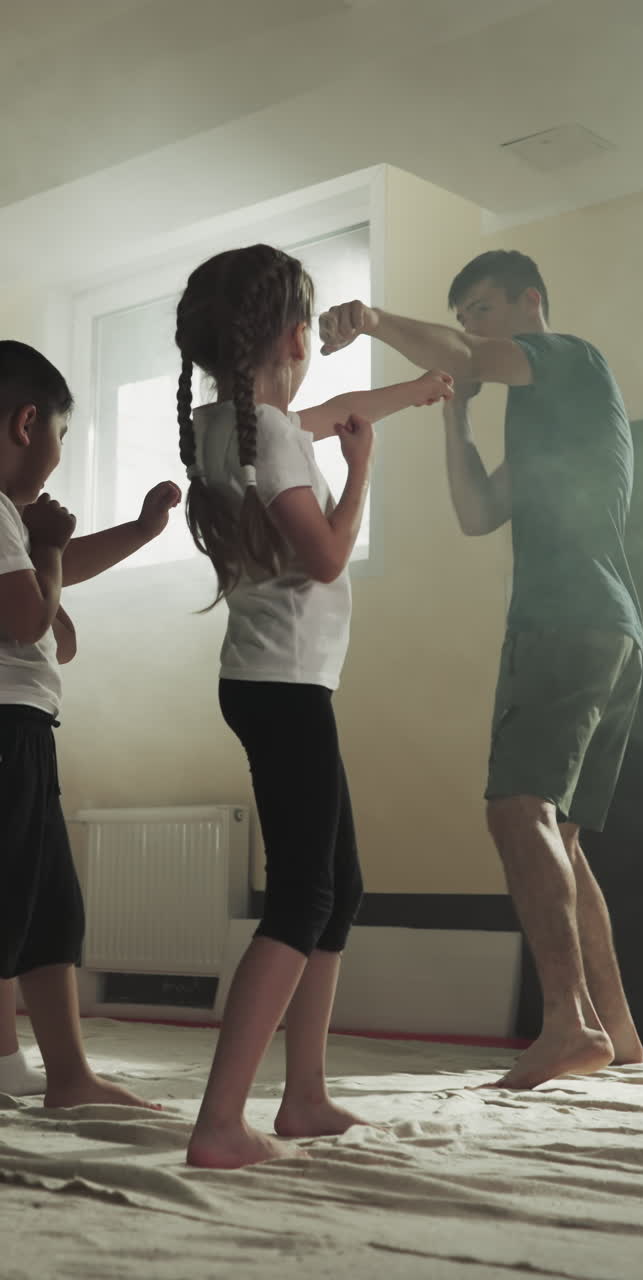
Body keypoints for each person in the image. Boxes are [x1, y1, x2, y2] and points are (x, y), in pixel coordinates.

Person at [319, 250, 643, 1090]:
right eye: (460, 313)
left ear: (531, 303)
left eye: (482, 309)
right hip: (604, 628)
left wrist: (373, 320)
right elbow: (474, 513)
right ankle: (616, 1029)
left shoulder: (570, 357)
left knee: (514, 810)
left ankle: (567, 1024)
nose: (469, 326)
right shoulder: (547, 421)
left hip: (569, 619)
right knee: (558, 836)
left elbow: (461, 359)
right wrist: (453, 418)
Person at [175, 245, 453, 1167]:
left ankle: (303, 1098)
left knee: (340, 888)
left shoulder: (228, 424)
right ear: (295, 334)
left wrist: (411, 394)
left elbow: (333, 415)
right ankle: (220, 1123)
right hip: (286, 688)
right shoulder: (277, 437)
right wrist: (363, 471)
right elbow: (327, 555)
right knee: (304, 895)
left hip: (268, 683)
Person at [0, 338, 180, 1106]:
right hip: (6, 731)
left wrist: (138, 534)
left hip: (27, 729)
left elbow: (49, 604)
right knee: (9, 902)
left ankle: (68, 1075)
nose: (60, 455)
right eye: (63, 438)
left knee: (48, 908)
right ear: (28, 423)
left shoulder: (11, 517)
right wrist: (45, 556)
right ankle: (13, 1067)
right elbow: (26, 619)